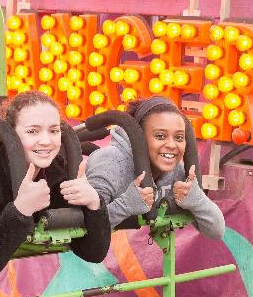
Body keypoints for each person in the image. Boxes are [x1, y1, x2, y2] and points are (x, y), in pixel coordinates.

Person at [0, 91, 112, 283]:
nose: (46, 141)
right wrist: (20, 210)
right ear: (11, 134)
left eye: (54, 131)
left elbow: (93, 253)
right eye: (33, 131)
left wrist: (95, 204)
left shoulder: (55, 169)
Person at [84, 96, 224, 239]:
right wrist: (124, 205)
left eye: (179, 137)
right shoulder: (110, 163)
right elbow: (86, 232)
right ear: (139, 137)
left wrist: (198, 200)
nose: (172, 145)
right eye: (160, 136)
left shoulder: (177, 172)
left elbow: (217, 232)